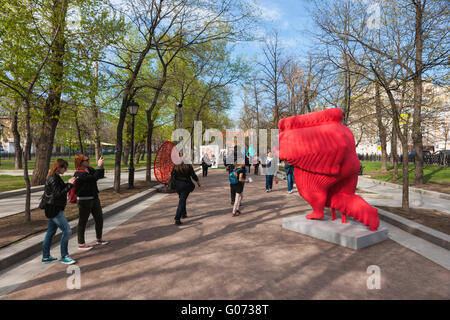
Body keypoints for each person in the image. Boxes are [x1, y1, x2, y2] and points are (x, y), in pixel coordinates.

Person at [42, 159, 77, 265]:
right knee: (67, 230)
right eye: (64, 167)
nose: (65, 170)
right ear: (58, 167)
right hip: (54, 209)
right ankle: (64, 256)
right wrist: (70, 185)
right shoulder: (52, 178)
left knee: (50, 232)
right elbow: (58, 193)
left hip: (54, 208)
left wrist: (68, 183)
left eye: (66, 167)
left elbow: (58, 189)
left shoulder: (55, 177)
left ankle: (46, 256)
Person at [74, 154, 107, 250]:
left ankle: (99, 238)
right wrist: (99, 166)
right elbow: (93, 178)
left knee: (99, 218)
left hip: (94, 197)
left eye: (88, 159)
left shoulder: (89, 169)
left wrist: (101, 166)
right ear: (80, 162)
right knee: (83, 221)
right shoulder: (78, 173)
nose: (88, 161)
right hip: (84, 200)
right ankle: (81, 243)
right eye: (86, 160)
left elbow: (99, 175)